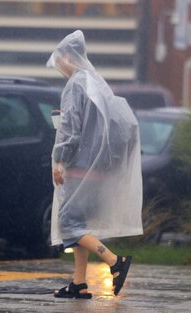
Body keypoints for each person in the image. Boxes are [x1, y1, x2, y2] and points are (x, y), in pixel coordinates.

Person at [47, 30, 143, 299]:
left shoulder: (75, 84)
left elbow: (72, 131)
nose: (59, 68)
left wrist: (60, 160)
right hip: (96, 166)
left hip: (78, 165)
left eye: (59, 62)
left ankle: (115, 262)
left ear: (68, 56)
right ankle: (79, 283)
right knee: (78, 223)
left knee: (68, 223)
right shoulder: (95, 82)